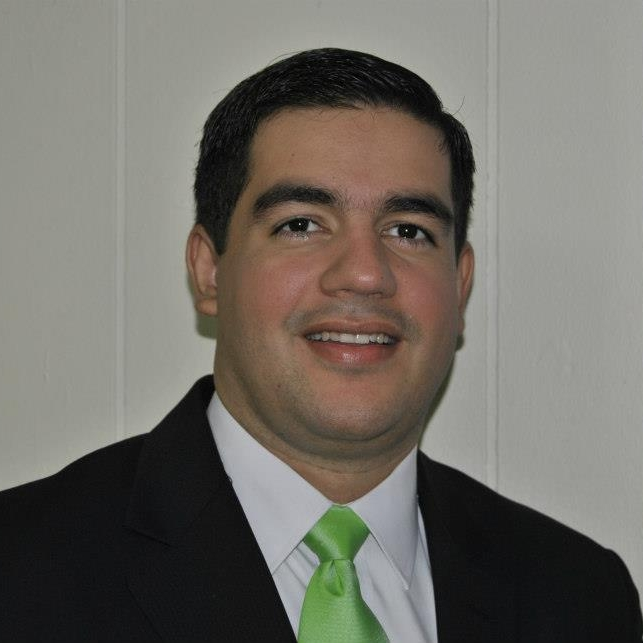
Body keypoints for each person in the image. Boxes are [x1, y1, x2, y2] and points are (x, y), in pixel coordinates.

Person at [0, 48, 640, 642]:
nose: (364, 274)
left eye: (408, 230)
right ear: (210, 270)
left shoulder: (582, 598)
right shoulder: (22, 572)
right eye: (301, 224)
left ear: (460, 284)